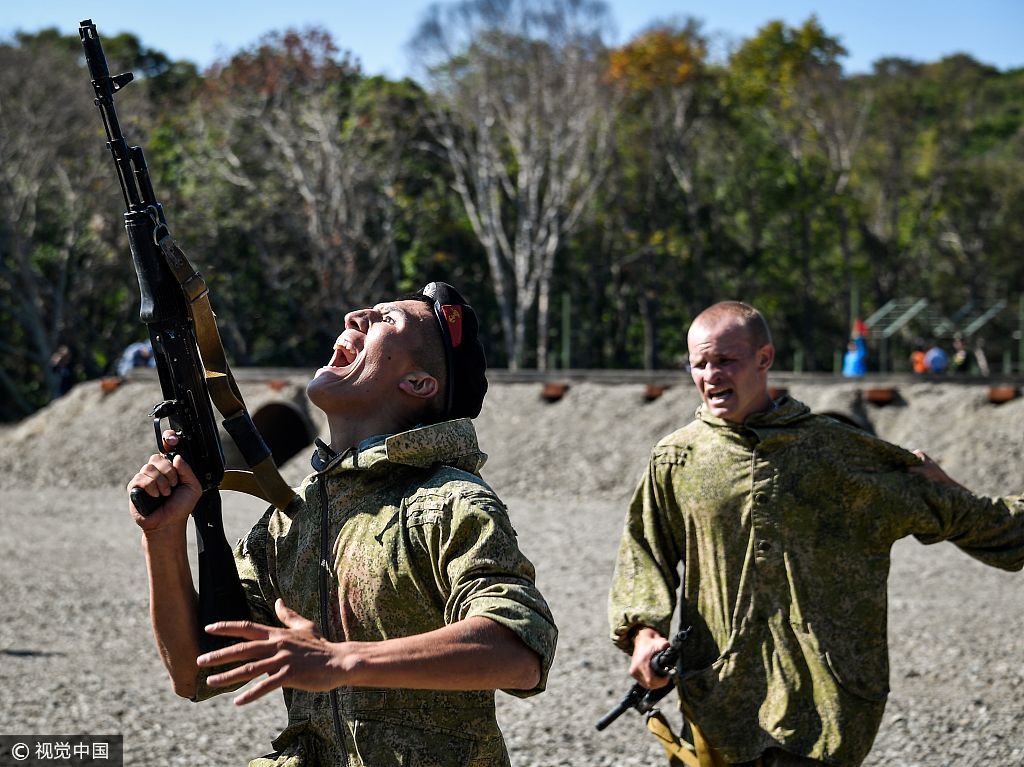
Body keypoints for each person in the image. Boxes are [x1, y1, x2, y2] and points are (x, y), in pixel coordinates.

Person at [128, 282, 557, 766]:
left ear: (418, 384)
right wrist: (161, 535)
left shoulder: (449, 502)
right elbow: (197, 673)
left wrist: (341, 660)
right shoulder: (292, 521)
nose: (356, 316)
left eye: (386, 320)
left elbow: (519, 651)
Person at [607, 300, 1024, 766]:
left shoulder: (835, 452)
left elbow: (956, 512)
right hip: (720, 699)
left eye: (726, 360)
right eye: (700, 363)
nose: (711, 375)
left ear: (765, 358)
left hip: (825, 706)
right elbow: (644, 555)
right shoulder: (675, 460)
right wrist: (644, 634)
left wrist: (953, 492)